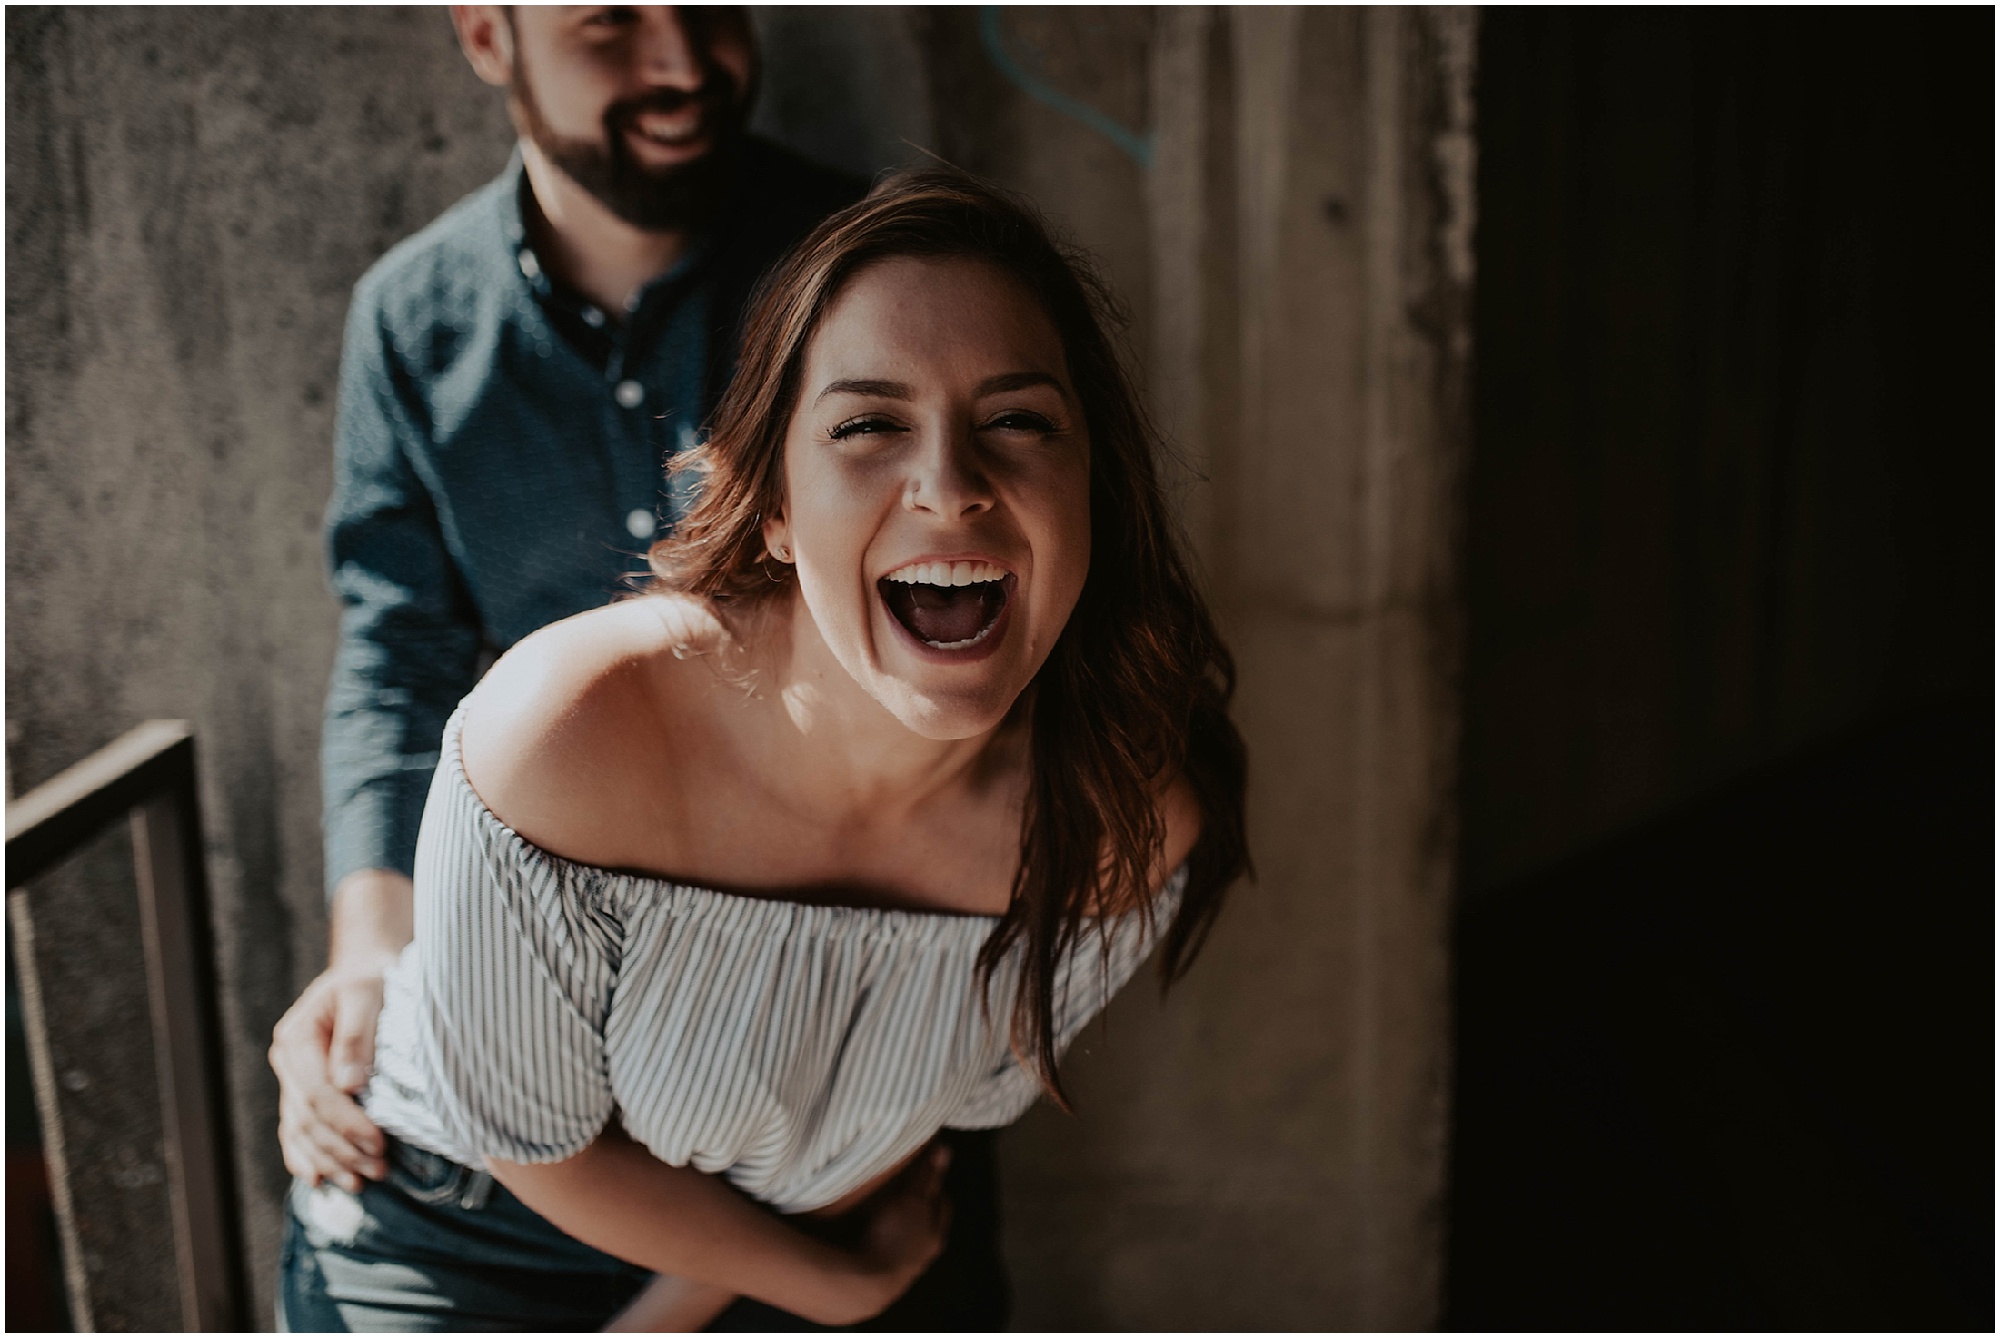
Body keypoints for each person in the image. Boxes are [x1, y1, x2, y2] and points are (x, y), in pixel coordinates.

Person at [277, 170, 1250, 1331]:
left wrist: (763, 1286)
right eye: (867, 426)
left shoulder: (1123, 823)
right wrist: (828, 1289)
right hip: (457, 1229)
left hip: (772, 1255)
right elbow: (529, 1140)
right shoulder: (565, 730)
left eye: (1016, 421)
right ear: (774, 505)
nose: (949, 486)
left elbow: (894, 1127)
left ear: (1093, 486)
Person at [272, 3, 861, 1213]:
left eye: (709, 8)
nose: (682, 64)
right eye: (609, 23)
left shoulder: (863, 267)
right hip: (554, 996)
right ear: (488, 37)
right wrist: (371, 952)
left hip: (846, 996)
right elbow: (398, 657)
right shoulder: (409, 320)